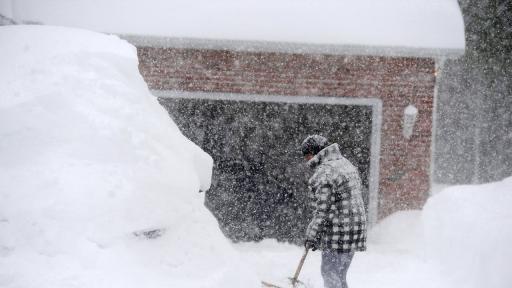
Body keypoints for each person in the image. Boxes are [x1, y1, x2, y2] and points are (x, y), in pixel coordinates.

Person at [301, 135, 367, 288]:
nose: (306, 160)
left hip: (339, 232)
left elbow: (323, 211)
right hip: (355, 229)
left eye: (306, 156)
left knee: (329, 273)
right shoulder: (345, 164)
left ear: (313, 153)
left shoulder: (324, 173)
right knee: (339, 275)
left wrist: (312, 235)